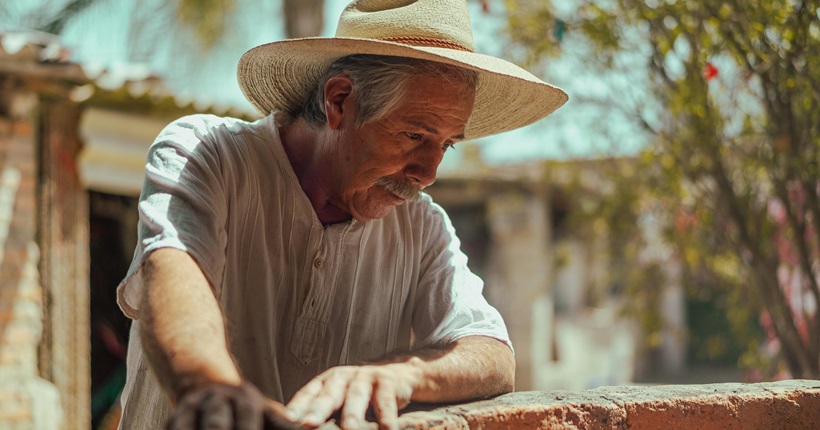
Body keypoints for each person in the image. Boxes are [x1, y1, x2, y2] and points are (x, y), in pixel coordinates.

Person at [115, 0, 567, 429]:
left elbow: (492, 354)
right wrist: (214, 391)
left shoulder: (422, 227)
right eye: (414, 135)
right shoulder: (206, 154)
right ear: (340, 101)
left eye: (446, 145)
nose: (429, 172)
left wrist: (402, 374)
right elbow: (171, 277)